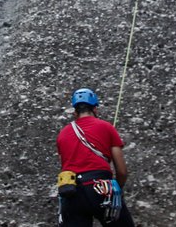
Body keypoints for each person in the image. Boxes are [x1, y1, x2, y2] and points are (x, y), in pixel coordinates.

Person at [56, 88, 134, 226]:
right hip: (101, 188)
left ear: (75, 112)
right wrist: (118, 189)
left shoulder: (62, 134)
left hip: (72, 192)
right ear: (95, 109)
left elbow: (65, 164)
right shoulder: (106, 127)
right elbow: (121, 171)